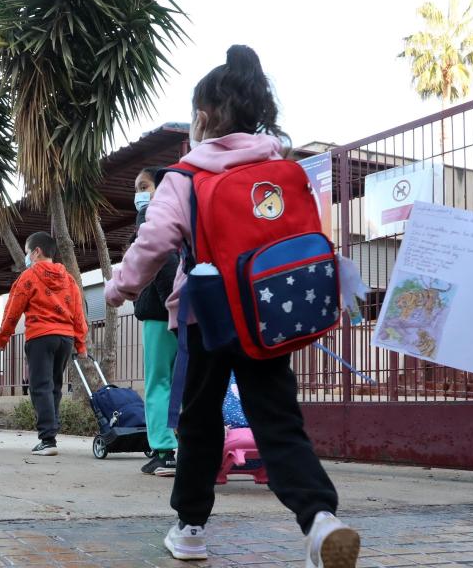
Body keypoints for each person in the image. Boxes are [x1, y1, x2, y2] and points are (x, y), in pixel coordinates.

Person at [105, 45, 360, 565]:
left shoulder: (185, 177)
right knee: (279, 420)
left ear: (201, 118)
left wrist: (118, 289)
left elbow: (152, 245)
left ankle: (191, 529)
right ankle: (319, 519)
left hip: (207, 320)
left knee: (200, 422)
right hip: (268, 317)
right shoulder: (281, 168)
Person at [0, 231, 88, 456]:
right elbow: (78, 314)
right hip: (65, 339)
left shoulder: (29, 277)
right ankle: (51, 434)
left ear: (36, 251)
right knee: (54, 386)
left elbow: (13, 309)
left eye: (27, 252)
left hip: (40, 337)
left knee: (40, 387)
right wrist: (81, 344)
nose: (27, 257)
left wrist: (3, 337)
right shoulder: (69, 279)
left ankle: (47, 440)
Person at [132, 166, 181, 477]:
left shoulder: (149, 214)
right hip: (186, 312)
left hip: (160, 313)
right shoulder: (182, 217)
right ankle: (180, 447)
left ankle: (164, 451)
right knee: (181, 383)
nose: (138, 193)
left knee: (158, 382)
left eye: (143, 185)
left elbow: (160, 259)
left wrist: (169, 300)